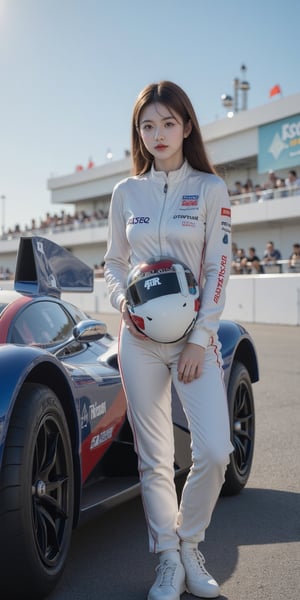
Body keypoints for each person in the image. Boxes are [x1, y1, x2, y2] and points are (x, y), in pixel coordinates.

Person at [104, 81, 233, 600]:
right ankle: (167, 559)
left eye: (168, 123)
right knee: (155, 456)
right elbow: (113, 264)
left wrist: (201, 339)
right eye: (147, 125)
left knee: (215, 450)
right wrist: (122, 303)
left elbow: (217, 268)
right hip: (137, 341)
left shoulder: (209, 189)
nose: (158, 134)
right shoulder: (124, 193)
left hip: (192, 341)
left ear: (187, 126)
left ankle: (190, 542)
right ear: (138, 132)